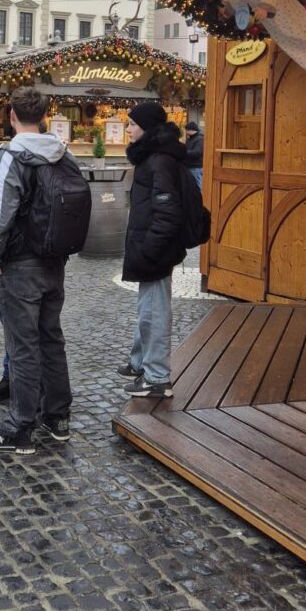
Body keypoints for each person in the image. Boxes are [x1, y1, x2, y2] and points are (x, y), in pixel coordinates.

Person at [0, 88, 77, 454]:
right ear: (45, 114)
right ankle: (57, 416)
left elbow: (0, 211)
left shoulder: (14, 154)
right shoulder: (62, 153)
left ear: (11, 115)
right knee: (51, 337)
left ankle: (20, 425)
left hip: (21, 263)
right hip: (55, 260)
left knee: (22, 344)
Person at [117, 102, 187, 399]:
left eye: (132, 124)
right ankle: (140, 363)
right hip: (151, 248)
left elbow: (167, 212)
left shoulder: (158, 161)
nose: (128, 129)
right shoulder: (153, 158)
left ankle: (157, 378)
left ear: (146, 127)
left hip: (155, 250)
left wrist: (149, 249)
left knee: (154, 312)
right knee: (148, 307)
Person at [184, 120, 204, 190]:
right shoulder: (190, 138)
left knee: (197, 186)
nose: (186, 132)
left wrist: (185, 152)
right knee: (192, 186)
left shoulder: (199, 139)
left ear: (191, 130)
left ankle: (199, 200)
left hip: (196, 167)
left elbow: (197, 152)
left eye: (187, 130)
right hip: (190, 166)